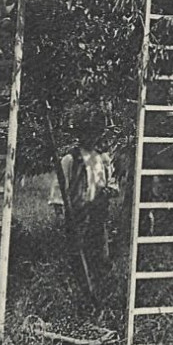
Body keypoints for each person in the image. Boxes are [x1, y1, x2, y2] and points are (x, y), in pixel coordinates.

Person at [48, 110, 120, 265]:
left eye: (94, 133)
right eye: (86, 133)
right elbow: (59, 185)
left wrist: (110, 189)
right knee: (77, 249)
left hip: (98, 209)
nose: (90, 138)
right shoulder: (70, 159)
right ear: (80, 135)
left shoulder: (103, 158)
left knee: (99, 245)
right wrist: (59, 209)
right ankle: (77, 275)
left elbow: (112, 179)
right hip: (78, 212)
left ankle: (99, 274)